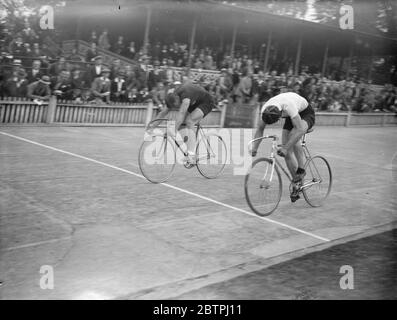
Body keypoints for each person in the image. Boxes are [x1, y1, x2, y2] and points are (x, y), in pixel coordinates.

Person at [249, 91, 315, 202]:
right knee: (287, 153)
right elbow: (260, 128)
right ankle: (296, 184)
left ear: (279, 116)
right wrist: (255, 148)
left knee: (294, 136)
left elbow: (299, 129)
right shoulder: (265, 109)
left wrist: (285, 147)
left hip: (305, 113)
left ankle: (301, 169)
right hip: (290, 115)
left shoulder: (288, 105)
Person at [147, 82, 216, 165]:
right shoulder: (172, 98)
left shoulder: (185, 99)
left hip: (206, 102)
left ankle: (191, 154)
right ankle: (190, 147)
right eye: (174, 107)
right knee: (181, 124)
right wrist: (151, 127)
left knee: (189, 121)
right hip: (194, 102)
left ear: (177, 99)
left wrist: (173, 129)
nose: (176, 108)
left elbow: (182, 112)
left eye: (176, 106)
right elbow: (162, 113)